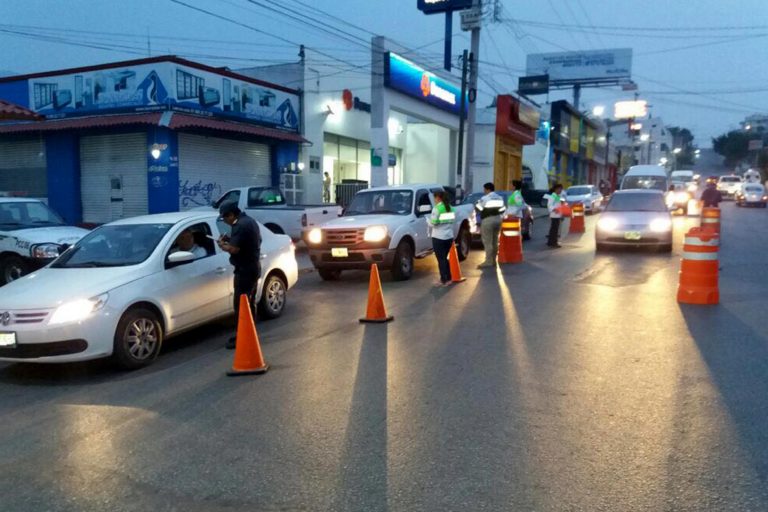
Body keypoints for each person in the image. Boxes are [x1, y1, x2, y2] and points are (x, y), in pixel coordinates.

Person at [217, 201, 262, 350]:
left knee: (241, 304)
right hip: (253, 266)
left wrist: (222, 245)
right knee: (250, 302)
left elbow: (234, 249)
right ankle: (250, 332)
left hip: (245, 270)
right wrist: (230, 240)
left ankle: (242, 336)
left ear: (231, 215)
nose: (226, 222)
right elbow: (252, 241)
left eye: (225, 218)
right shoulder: (250, 221)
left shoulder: (239, 225)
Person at [428, 190, 456, 287]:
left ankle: (444, 280)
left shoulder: (437, 209)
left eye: (435, 198)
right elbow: (451, 221)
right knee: (445, 258)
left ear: (438, 198)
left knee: (441, 259)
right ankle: (448, 278)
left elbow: (434, 223)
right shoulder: (451, 208)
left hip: (438, 237)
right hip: (448, 236)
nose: (434, 200)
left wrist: (427, 221)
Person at [475, 182, 505, 268]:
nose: (484, 191)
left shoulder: (485, 198)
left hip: (488, 220)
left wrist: (477, 203)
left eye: (484, 189)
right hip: (498, 219)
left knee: (487, 241)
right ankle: (493, 260)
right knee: (495, 240)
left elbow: (479, 208)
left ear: (488, 189)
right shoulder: (499, 198)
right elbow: (502, 209)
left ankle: (488, 261)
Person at [547, 183, 566, 248]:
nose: (561, 191)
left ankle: (550, 242)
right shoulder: (553, 196)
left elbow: (559, 206)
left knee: (553, 229)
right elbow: (549, 206)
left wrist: (561, 214)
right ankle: (553, 243)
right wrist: (555, 210)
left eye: (561, 189)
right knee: (554, 230)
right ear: (556, 189)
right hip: (554, 215)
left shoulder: (557, 196)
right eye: (560, 189)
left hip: (557, 215)